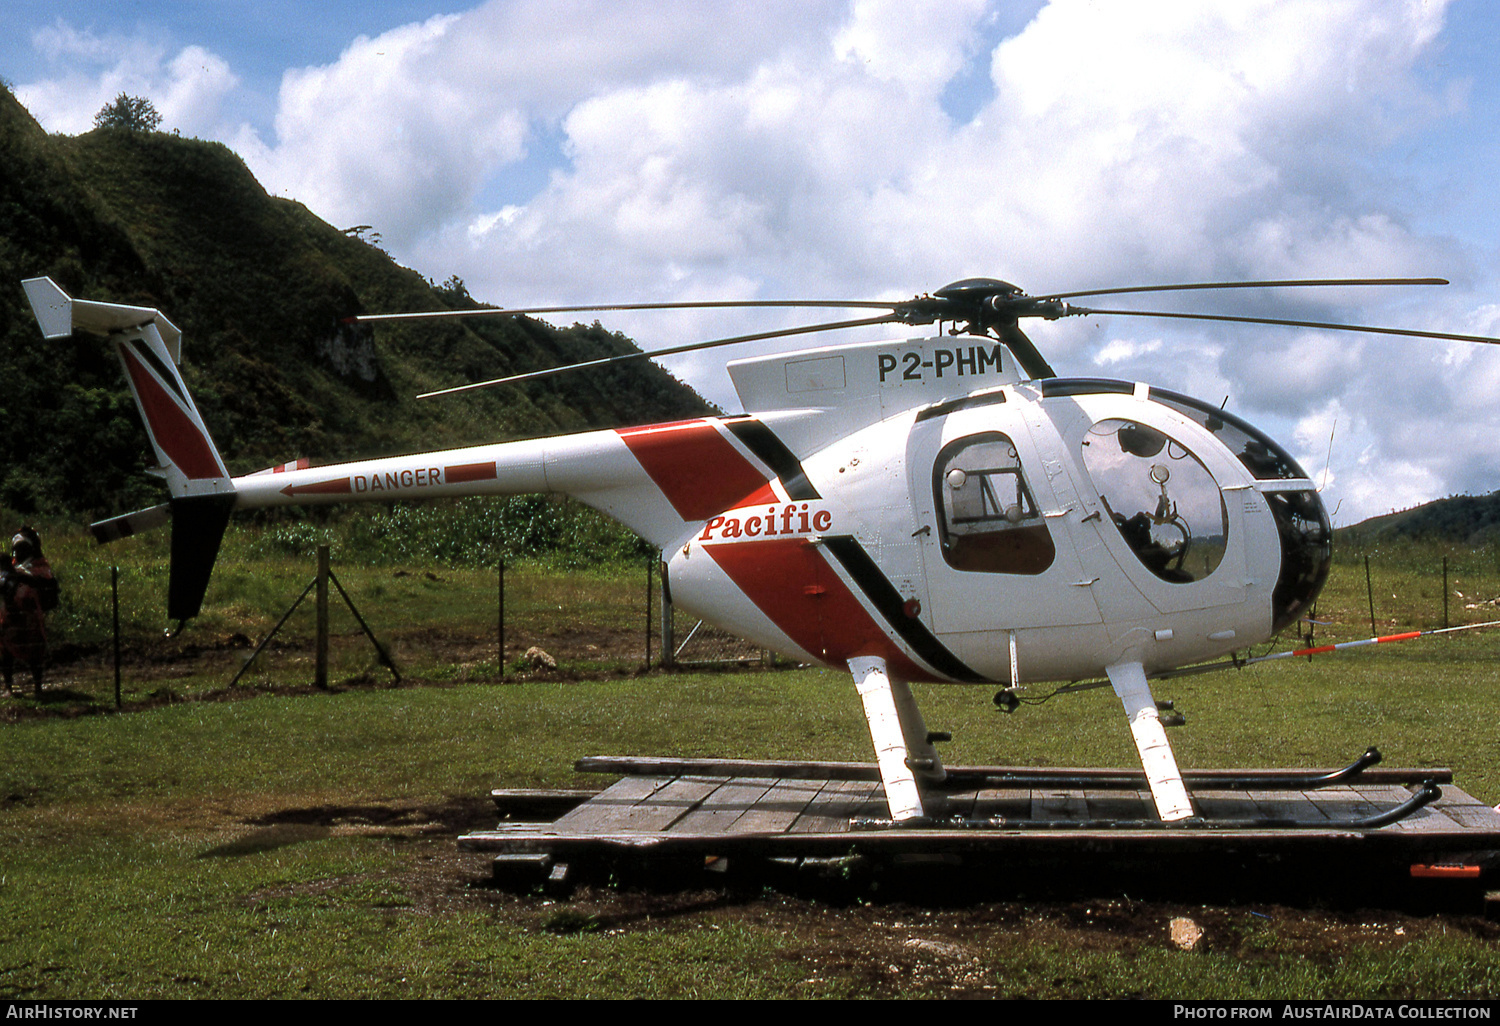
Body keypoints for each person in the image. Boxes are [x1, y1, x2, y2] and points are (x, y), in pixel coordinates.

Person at [1, 527, 54, 697]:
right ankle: (8, 687)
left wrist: (19, 577)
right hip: (9, 617)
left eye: (22, 547)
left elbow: (44, 581)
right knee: (5, 652)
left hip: (30, 617)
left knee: (34, 653)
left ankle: (38, 687)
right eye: (17, 548)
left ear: (30, 548)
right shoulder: (12, 567)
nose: (19, 551)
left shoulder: (38, 565)